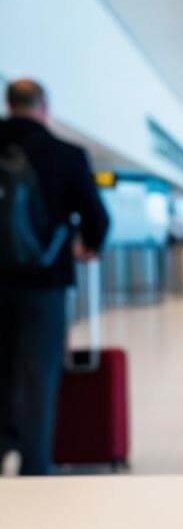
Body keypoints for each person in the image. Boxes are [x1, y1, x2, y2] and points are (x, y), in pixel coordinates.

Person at [0, 79, 110, 475]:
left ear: (9, 104)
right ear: (44, 107)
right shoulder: (65, 154)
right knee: (38, 376)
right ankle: (35, 467)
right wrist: (86, 249)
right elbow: (97, 218)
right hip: (44, 286)